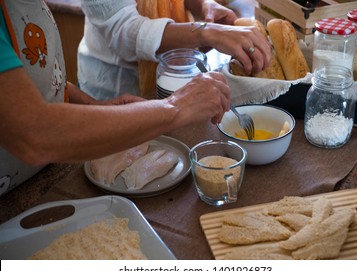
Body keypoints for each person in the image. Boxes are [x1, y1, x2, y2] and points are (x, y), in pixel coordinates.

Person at [0, 0, 230, 197]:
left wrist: (92, 105)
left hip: (45, 172)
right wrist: (175, 106)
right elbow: (33, 133)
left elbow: (40, 81)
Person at [78, 0, 271, 99]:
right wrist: (207, 32)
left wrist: (204, 5)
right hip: (118, 87)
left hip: (179, 73)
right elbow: (123, 32)